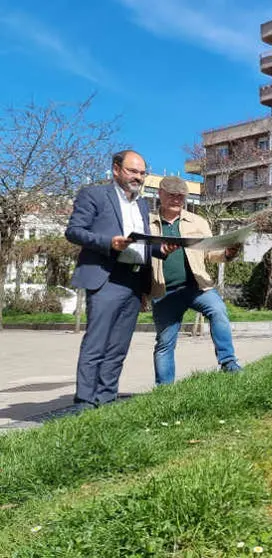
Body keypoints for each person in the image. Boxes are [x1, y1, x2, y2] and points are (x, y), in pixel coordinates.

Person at [65, 150, 175, 411]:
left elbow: (141, 244)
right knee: (96, 344)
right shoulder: (94, 195)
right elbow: (73, 231)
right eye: (132, 171)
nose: (138, 177)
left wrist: (161, 250)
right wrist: (109, 243)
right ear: (116, 170)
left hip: (134, 281)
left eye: (141, 172)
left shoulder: (141, 204)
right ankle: (84, 404)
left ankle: (106, 400)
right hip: (106, 278)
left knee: (118, 347)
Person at [148, 176, 243, 385]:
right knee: (164, 342)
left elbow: (210, 253)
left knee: (218, 311)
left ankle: (228, 363)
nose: (176, 199)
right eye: (171, 194)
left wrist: (227, 252)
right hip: (164, 292)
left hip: (198, 287)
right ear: (160, 194)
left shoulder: (198, 221)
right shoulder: (147, 223)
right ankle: (164, 391)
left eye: (180, 196)